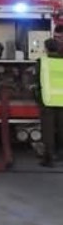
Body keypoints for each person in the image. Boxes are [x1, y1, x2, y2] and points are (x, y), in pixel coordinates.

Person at [35, 38, 63, 167]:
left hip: (47, 101)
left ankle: (49, 159)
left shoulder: (42, 62)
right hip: (62, 101)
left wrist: (37, 98)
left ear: (46, 49)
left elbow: (36, 81)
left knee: (48, 131)